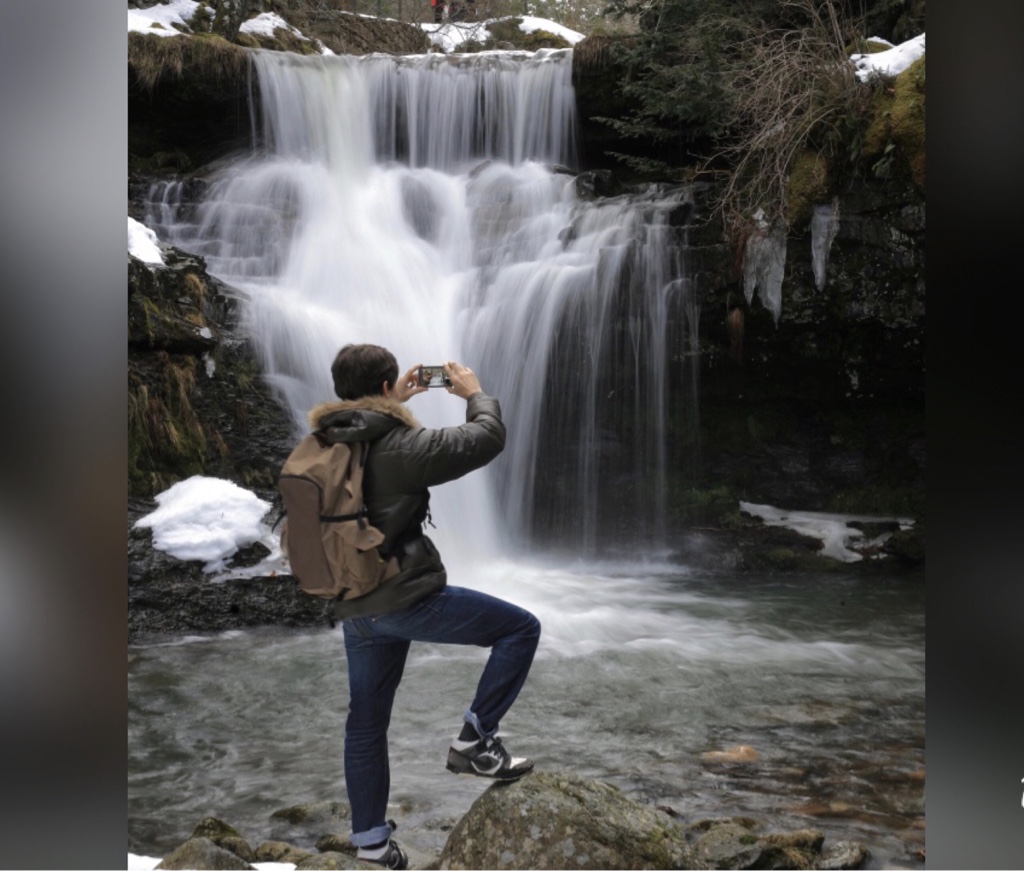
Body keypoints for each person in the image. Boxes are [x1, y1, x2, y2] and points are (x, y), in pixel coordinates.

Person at [311, 343, 541, 870]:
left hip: (353, 602)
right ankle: (475, 742)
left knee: (365, 725)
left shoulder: (323, 443)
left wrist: (398, 402)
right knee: (520, 630)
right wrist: (474, 393)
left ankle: (370, 844)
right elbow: (485, 439)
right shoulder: (399, 445)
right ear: (388, 386)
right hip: (403, 596)